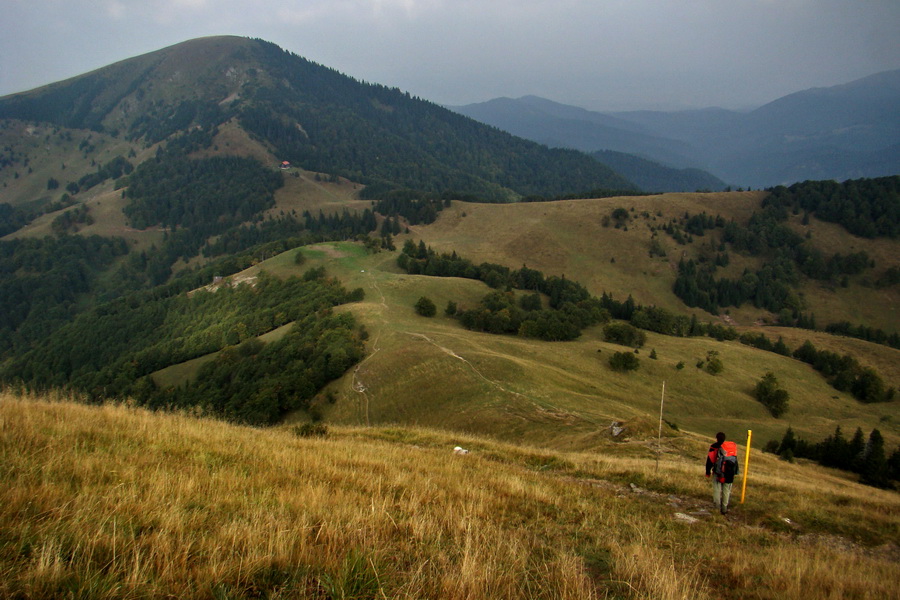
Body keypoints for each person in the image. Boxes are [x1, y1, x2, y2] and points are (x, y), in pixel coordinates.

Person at [706, 432, 739, 514]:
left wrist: (708, 472)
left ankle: (716, 507)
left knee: (717, 489)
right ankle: (724, 509)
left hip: (718, 472)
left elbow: (710, 460)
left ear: (716, 438)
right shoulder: (730, 448)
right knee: (726, 491)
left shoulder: (714, 446)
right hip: (729, 473)